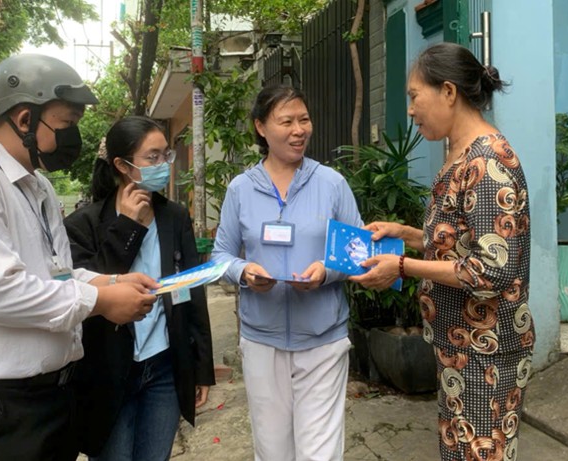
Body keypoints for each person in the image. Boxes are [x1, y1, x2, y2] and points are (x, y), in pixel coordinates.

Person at [0, 54, 158, 461]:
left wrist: (110, 283)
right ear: (25, 119)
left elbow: (56, 276)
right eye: (67, 124)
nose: (75, 137)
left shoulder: (38, 187)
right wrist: (101, 302)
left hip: (50, 400)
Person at [350, 42, 534, 460]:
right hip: (460, 346)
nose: (410, 111)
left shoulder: (486, 163)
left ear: (448, 92)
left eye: (415, 96)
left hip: (487, 350)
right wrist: (409, 234)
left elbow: (490, 271)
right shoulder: (459, 155)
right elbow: (461, 241)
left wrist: (402, 265)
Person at [211, 85, 362, 461]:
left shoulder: (331, 184)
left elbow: (360, 252)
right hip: (262, 340)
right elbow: (220, 257)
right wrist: (244, 272)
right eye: (287, 121)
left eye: (304, 119)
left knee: (319, 454)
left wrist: (326, 271)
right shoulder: (241, 189)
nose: (299, 130)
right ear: (261, 127)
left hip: (324, 340)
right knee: (272, 450)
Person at [63, 115, 215, 460]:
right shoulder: (83, 225)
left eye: (166, 155)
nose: (163, 165)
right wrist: (128, 227)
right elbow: (91, 293)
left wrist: (200, 366)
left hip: (163, 367)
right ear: (122, 165)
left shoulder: (174, 217)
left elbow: (192, 290)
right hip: (110, 375)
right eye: (152, 157)